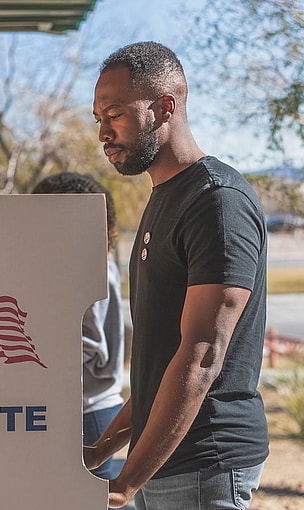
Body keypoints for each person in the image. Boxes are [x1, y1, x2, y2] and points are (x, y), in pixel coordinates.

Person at [83, 41, 269, 509]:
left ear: (165, 107)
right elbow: (159, 361)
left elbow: (202, 356)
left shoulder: (216, 202)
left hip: (205, 464)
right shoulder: (164, 198)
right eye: (99, 119)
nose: (104, 132)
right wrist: (103, 450)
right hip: (158, 462)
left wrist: (126, 482)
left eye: (116, 114)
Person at [30, 172, 127, 483]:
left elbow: (91, 345)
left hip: (89, 412)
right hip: (89, 408)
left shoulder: (91, 267)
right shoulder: (86, 262)